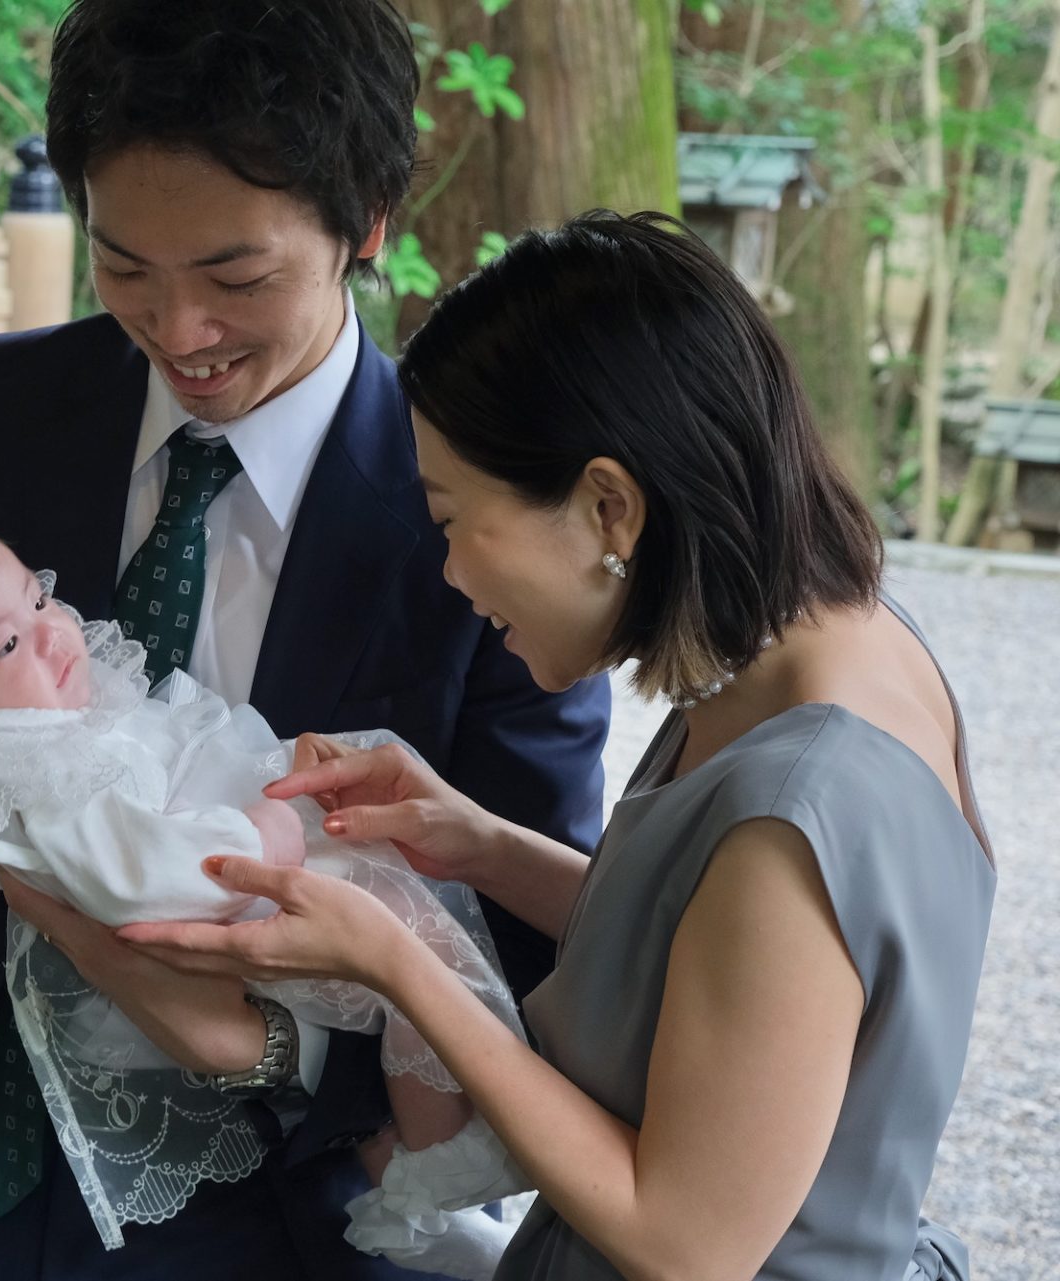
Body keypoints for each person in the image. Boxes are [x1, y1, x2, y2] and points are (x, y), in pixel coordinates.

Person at [0, 2, 611, 1276]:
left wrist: (275, 1046)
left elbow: (531, 924)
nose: (180, 335)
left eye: (237, 278)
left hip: (281, 1215)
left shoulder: (484, 513)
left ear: (368, 222)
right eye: (124, 268)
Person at [119, 211, 996, 1281]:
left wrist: (397, 962)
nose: (449, 574)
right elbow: (711, 966)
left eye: (451, 520)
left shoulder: (797, 806)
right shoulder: (826, 644)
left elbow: (684, 1241)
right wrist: (479, 843)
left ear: (608, 507)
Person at [0, 463, 530, 1276]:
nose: (54, 632)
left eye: (41, 600)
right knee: (428, 964)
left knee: (438, 965)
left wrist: (272, 1048)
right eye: (6, 644)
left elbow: (537, 927)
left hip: (270, 1194)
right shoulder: (39, 766)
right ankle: (432, 1185)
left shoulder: (460, 472)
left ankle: (423, 1186)